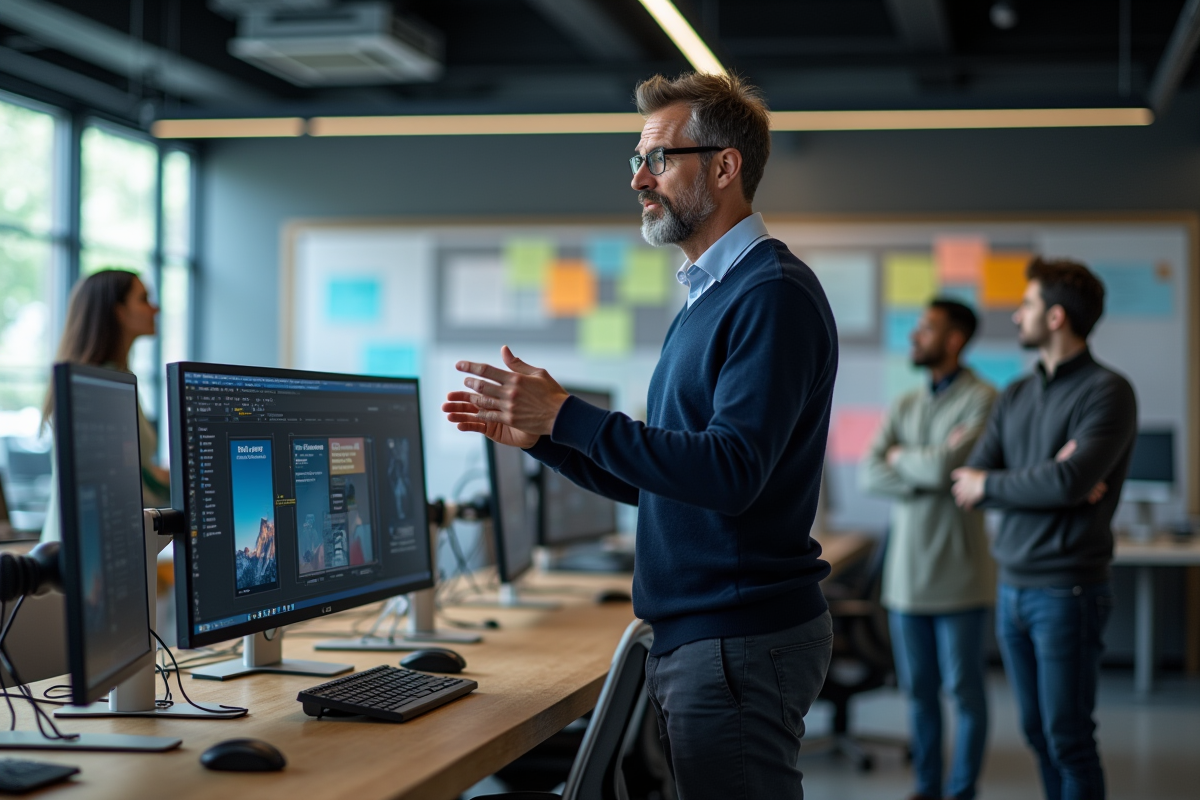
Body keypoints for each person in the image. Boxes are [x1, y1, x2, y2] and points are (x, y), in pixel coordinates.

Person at [442, 73, 838, 798]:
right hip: (713, 634)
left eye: (659, 159)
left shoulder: (769, 293)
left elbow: (730, 472)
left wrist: (568, 415)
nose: (639, 180)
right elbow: (668, 485)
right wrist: (546, 441)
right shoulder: (709, 297)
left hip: (737, 635)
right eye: (636, 159)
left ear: (725, 167)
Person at [951, 258, 1137, 800]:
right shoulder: (1016, 394)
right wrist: (1049, 480)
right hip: (1012, 586)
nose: (1016, 316)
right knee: (1037, 733)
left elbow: (1068, 482)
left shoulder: (1108, 392)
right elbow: (970, 480)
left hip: (1068, 590)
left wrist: (1010, 483)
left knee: (1068, 737)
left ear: (1055, 317)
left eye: (1027, 305)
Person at [861, 299, 997, 800]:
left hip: (960, 576)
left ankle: (962, 791)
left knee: (965, 693)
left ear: (955, 339)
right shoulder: (906, 404)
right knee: (917, 692)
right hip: (905, 579)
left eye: (926, 329)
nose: (915, 337)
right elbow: (869, 471)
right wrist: (925, 466)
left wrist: (904, 460)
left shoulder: (984, 399)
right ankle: (927, 788)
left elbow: (948, 469)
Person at [41, 270, 168, 530]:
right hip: (87, 549)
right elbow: (117, 485)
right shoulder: (102, 388)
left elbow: (137, 473)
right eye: (143, 299)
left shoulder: (117, 379)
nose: (155, 309)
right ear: (118, 312)